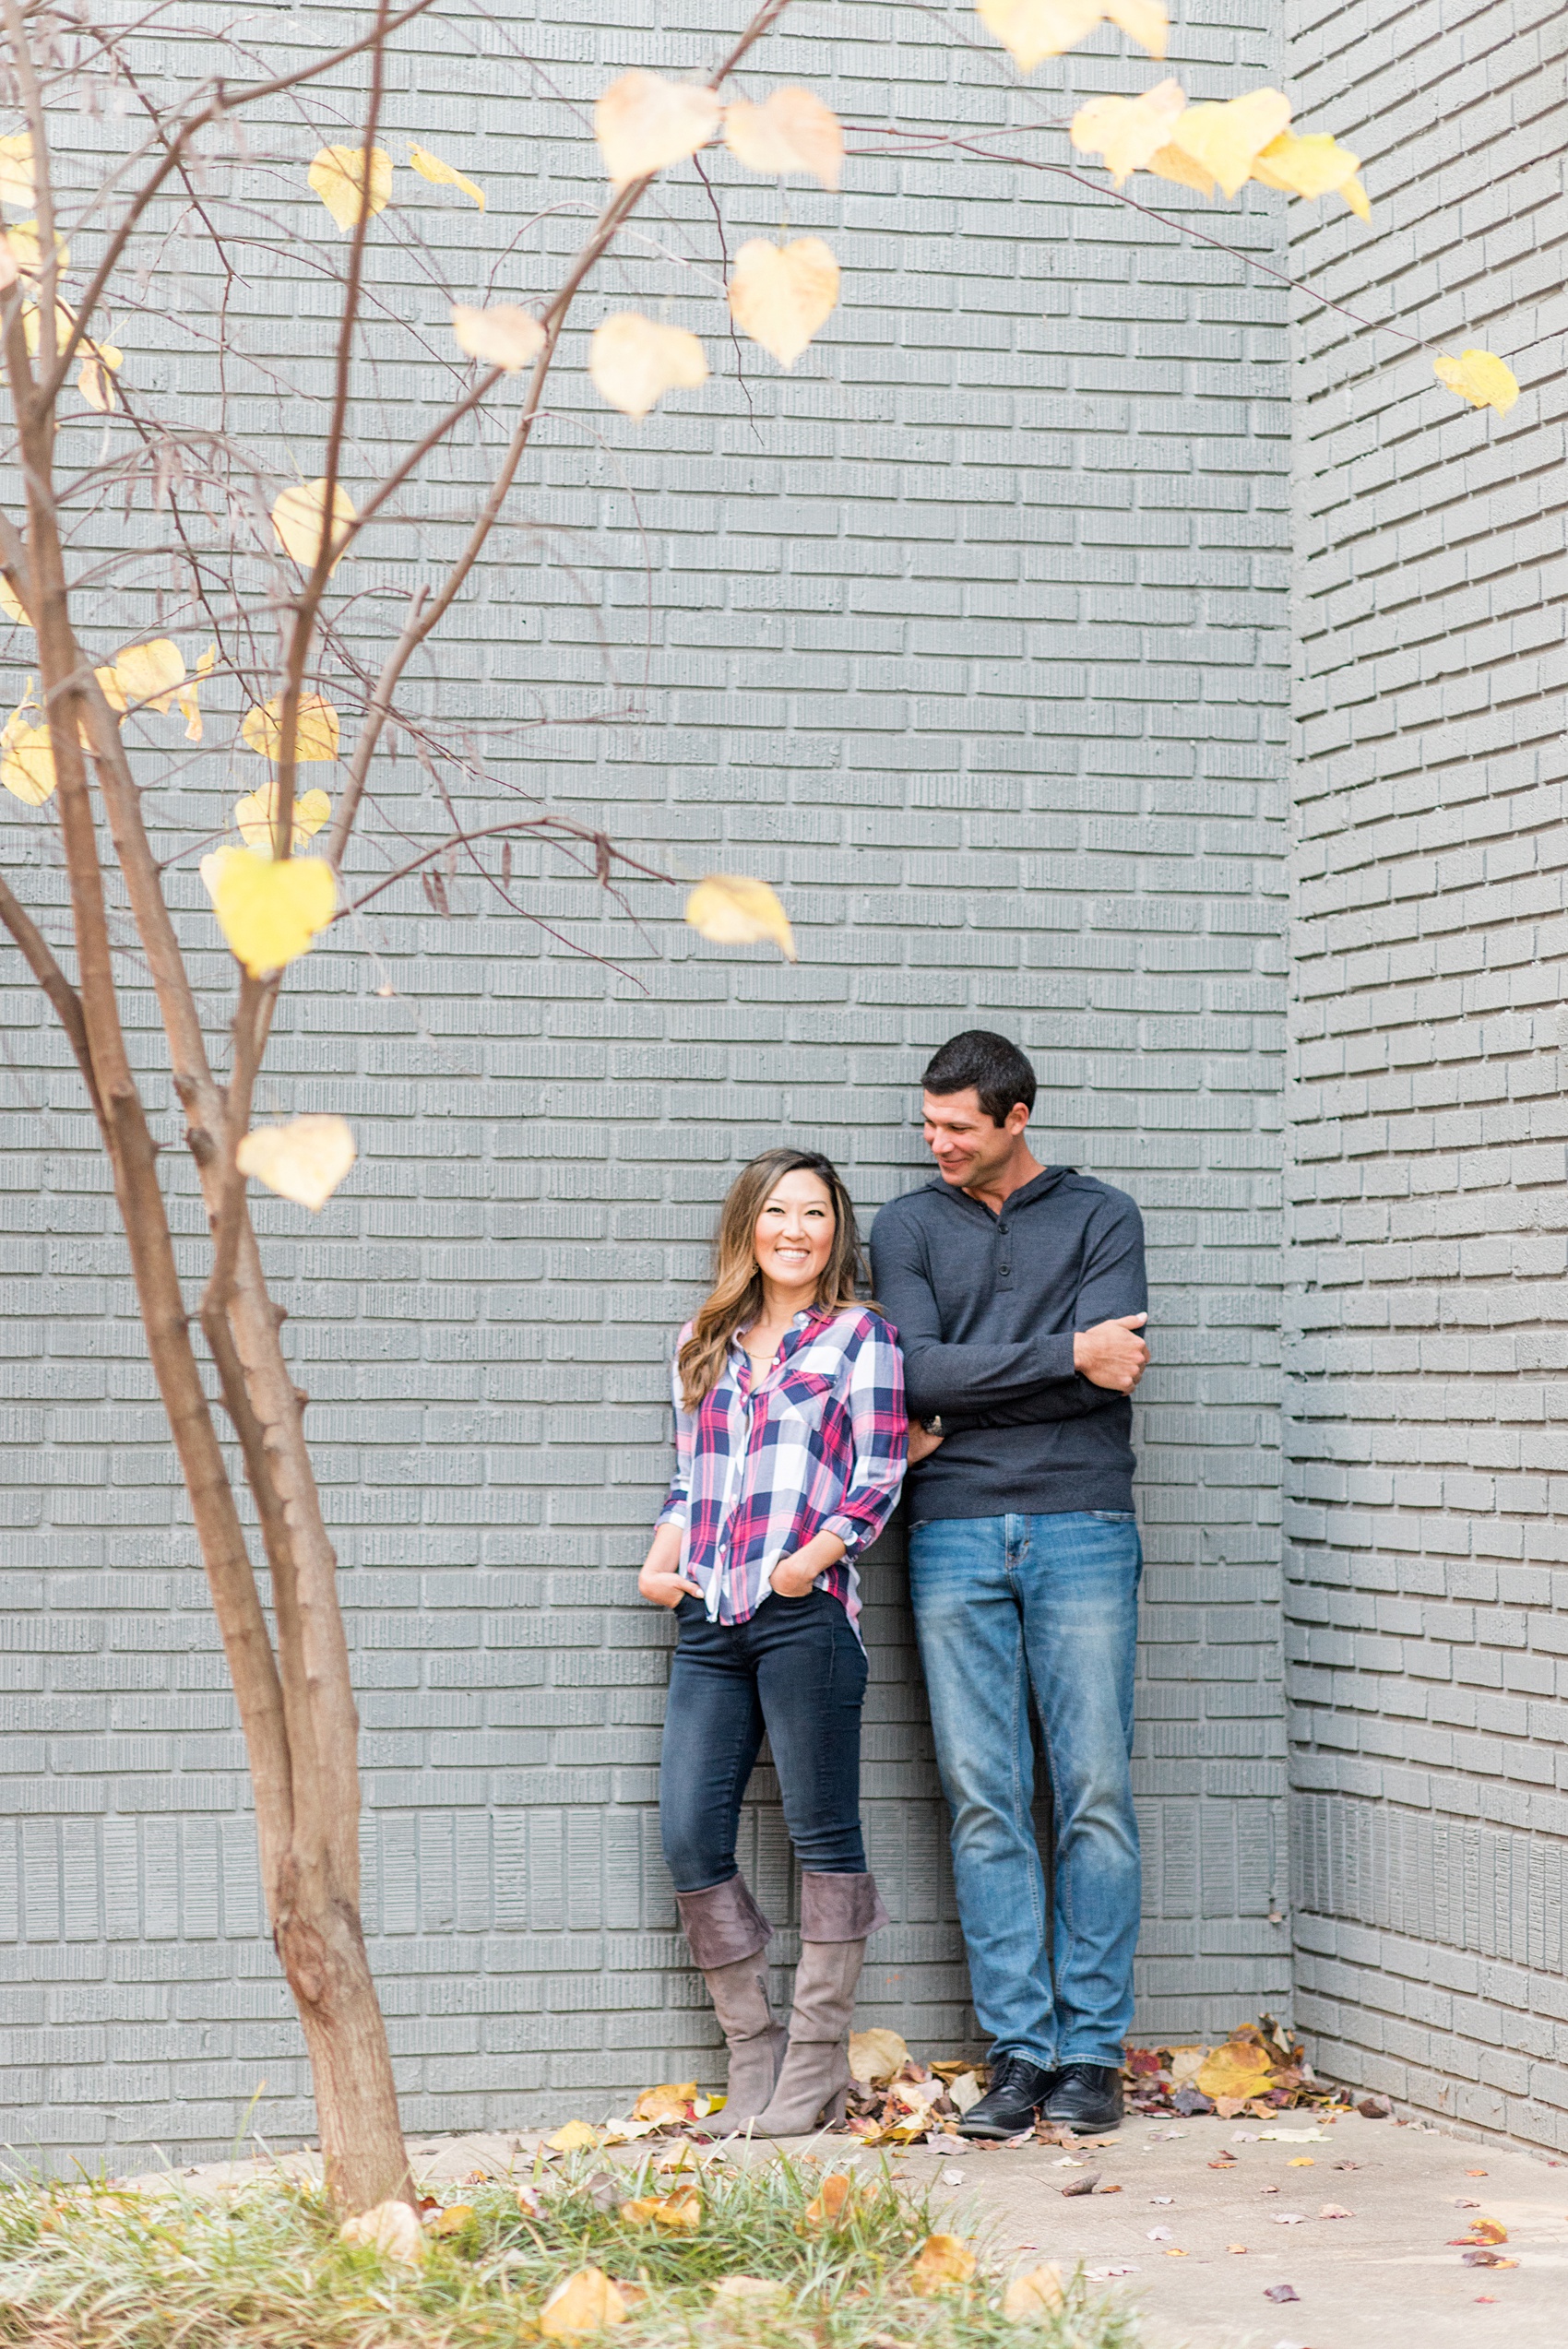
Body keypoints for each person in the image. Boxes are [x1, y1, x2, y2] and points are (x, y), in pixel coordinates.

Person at [870, 1030, 1150, 2139]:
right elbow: (912, 1373)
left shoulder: (1099, 1217)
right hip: (948, 1533)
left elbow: (1112, 1374)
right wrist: (1056, 1356)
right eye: (926, 1126)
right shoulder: (905, 1225)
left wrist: (971, 1396)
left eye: (957, 1129)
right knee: (983, 1798)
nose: (935, 1144)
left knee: (1091, 1793)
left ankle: (1089, 2054)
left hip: (1082, 1521)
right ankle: (1018, 2052)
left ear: (1015, 1119)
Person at [640, 1147, 907, 2134]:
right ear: (747, 1223)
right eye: (777, 1211)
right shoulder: (701, 1341)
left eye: (815, 1215)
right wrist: (658, 1562)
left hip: (804, 1612)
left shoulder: (858, 1339)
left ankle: (813, 2065)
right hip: (708, 1614)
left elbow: (878, 1479)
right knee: (686, 1832)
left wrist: (806, 1561)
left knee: (821, 1833)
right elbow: (687, 1479)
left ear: (834, 1234)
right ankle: (750, 2054)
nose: (794, 1231)